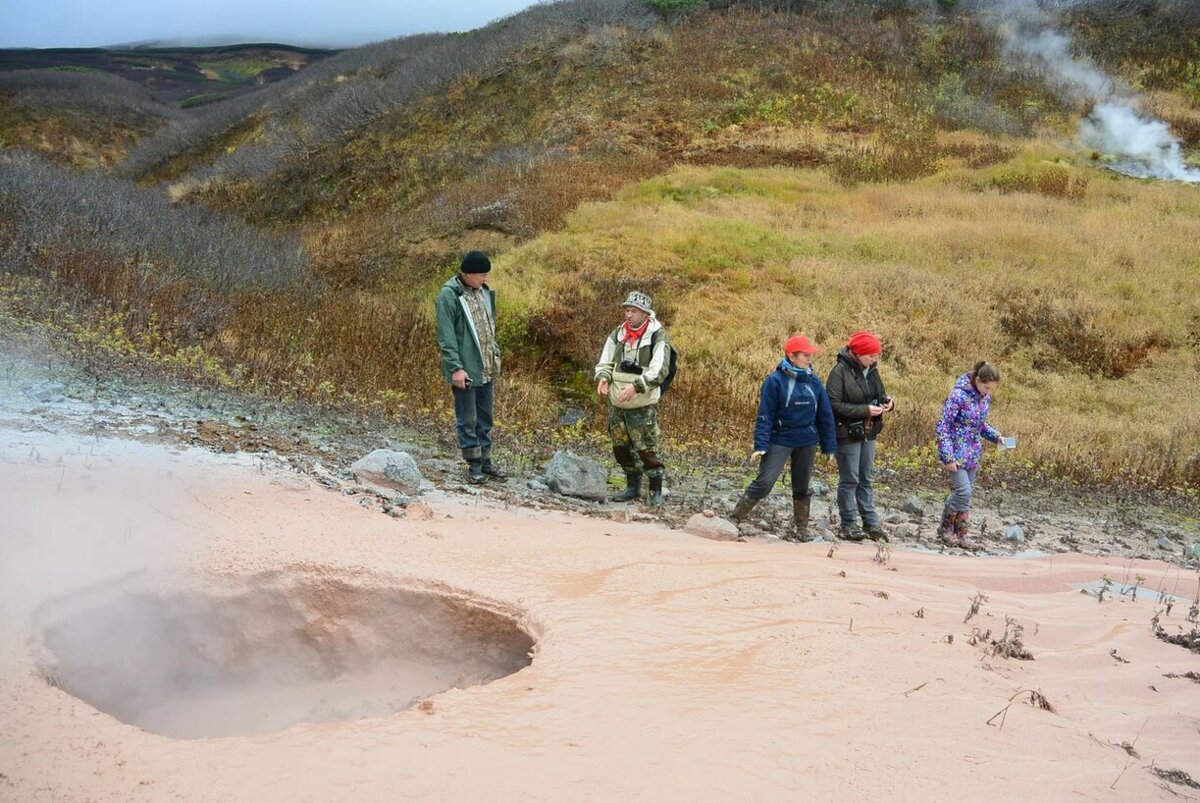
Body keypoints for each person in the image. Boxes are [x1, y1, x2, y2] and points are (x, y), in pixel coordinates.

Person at [728, 334, 837, 541]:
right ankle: (734, 518)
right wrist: (760, 445)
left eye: (810, 355)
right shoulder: (774, 381)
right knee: (765, 482)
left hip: (807, 440)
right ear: (791, 355)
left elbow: (825, 415)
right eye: (805, 355)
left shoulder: (815, 382)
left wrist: (829, 446)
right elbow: (765, 415)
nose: (809, 358)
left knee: (802, 486)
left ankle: (802, 529)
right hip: (780, 439)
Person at [594, 291, 672, 507]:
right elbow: (605, 361)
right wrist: (603, 378)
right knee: (620, 446)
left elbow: (659, 371)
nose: (628, 315)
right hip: (617, 402)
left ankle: (655, 489)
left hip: (642, 403)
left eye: (633, 311)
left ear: (645, 313)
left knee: (646, 447)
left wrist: (637, 387)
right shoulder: (618, 333)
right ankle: (632, 486)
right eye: (626, 310)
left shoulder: (657, 336)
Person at [435, 251, 504, 484]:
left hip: (486, 366)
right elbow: (446, 336)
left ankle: (486, 463)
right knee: (468, 418)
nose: (485, 278)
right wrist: (455, 368)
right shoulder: (449, 296)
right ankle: (473, 466)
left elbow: (488, 327)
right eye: (482, 275)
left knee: (486, 417)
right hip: (465, 370)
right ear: (468, 274)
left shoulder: (483, 292)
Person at [826, 330, 894, 541]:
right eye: (871, 355)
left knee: (866, 477)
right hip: (847, 433)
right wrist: (864, 410)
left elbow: (880, 394)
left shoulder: (872, 371)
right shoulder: (839, 371)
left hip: (868, 432)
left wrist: (888, 403)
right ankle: (848, 522)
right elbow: (833, 404)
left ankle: (870, 522)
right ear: (859, 353)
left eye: (876, 355)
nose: (874, 359)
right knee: (850, 479)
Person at [935, 361, 1006, 549]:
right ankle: (945, 527)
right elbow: (943, 426)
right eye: (986, 387)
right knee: (963, 491)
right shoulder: (958, 396)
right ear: (977, 380)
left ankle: (961, 532)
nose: (988, 391)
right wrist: (947, 456)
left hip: (973, 453)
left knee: (967, 495)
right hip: (955, 452)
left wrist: (996, 437)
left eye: (992, 389)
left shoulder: (985, 399)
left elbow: (980, 426)